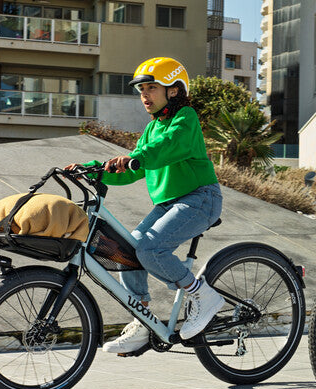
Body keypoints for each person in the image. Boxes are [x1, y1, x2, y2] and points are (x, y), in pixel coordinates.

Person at [70, 57, 224, 354]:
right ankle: (142, 318)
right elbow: (134, 168)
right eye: (141, 89)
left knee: (150, 248)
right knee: (129, 249)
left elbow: (169, 147)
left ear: (175, 91)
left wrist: (138, 157)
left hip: (200, 198)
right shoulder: (152, 129)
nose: (144, 94)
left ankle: (203, 295)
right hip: (170, 203)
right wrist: (92, 169)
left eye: (152, 87)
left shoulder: (185, 118)